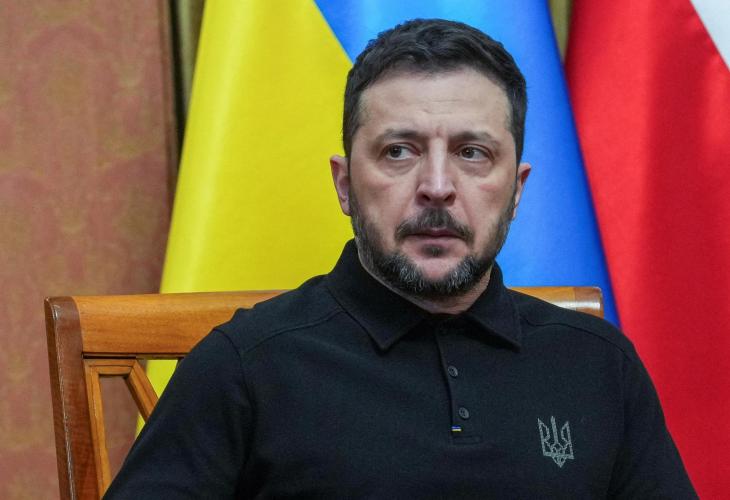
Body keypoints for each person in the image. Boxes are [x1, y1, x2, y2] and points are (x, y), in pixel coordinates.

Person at [106, 19, 696, 498]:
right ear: (344, 184)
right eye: (398, 151)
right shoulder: (244, 367)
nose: (437, 186)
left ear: (516, 190)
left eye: (472, 152)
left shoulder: (598, 364)